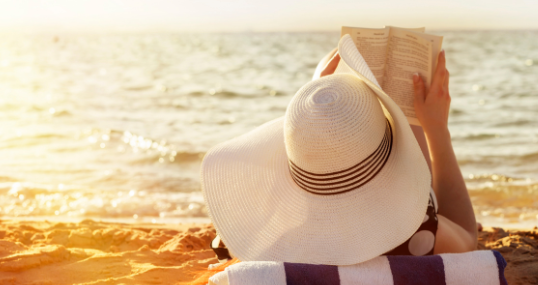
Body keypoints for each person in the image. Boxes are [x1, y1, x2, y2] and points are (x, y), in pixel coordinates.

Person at [201, 35, 477, 267]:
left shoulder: (272, 239)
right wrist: (436, 129)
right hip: (399, 210)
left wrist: (316, 98)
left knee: (327, 115)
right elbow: (467, 239)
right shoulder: (418, 231)